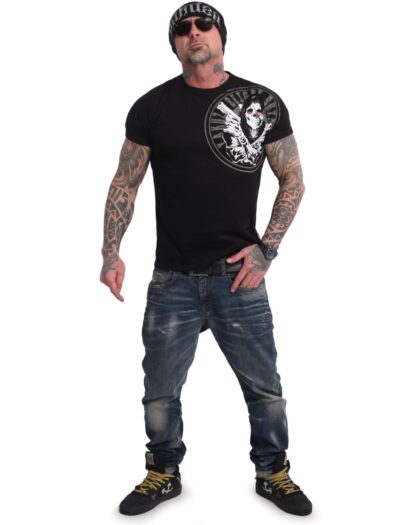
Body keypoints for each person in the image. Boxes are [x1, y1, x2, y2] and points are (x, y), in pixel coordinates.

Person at [100, 2, 312, 517]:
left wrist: (266, 250)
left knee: (265, 389)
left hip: (239, 279)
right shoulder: (152, 107)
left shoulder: (261, 101)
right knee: (159, 391)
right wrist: (111, 251)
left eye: (204, 24)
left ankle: (273, 472)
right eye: (183, 28)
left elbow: (293, 179)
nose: (194, 32)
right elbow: (125, 183)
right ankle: (163, 472)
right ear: (175, 44)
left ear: (220, 36)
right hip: (171, 278)